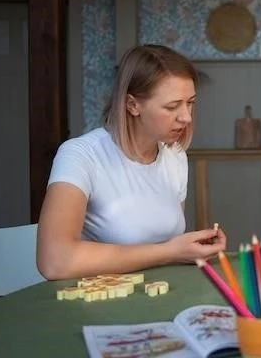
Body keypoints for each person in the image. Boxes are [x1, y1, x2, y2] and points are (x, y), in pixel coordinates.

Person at [36, 45, 226, 280]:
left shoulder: (175, 156)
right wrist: (169, 252)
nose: (186, 117)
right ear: (132, 105)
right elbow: (54, 261)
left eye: (190, 103)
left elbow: (167, 246)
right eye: (172, 106)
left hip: (158, 292)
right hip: (98, 303)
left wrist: (187, 249)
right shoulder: (80, 155)